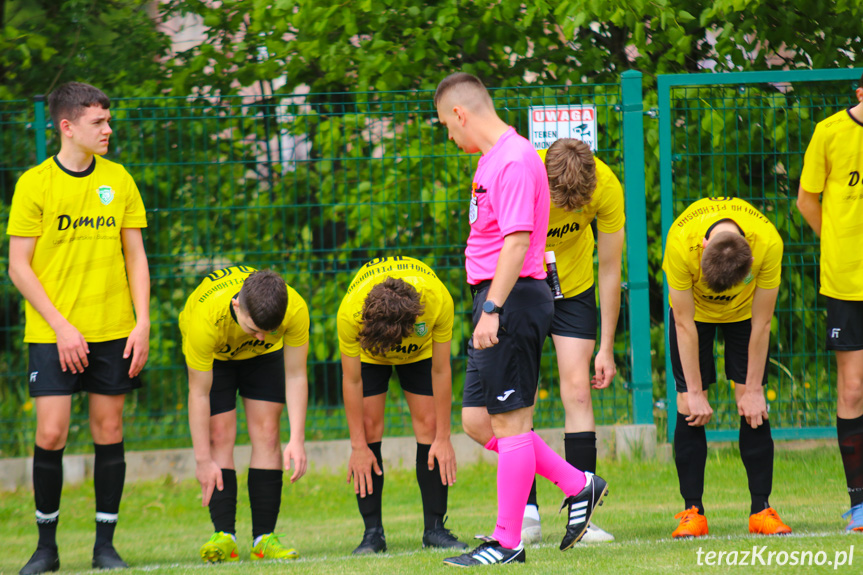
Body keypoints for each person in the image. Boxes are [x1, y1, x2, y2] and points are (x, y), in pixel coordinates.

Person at [435, 72, 608, 567]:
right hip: (495, 297)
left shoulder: (511, 160)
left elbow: (516, 241)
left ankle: (506, 542)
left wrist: (492, 308)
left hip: (509, 299)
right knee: (475, 421)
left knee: (511, 425)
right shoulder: (494, 159)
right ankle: (579, 484)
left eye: (448, 124)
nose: (450, 135)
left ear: (461, 114)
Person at [8, 82, 150, 574]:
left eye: (108, 121)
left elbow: (135, 255)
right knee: (50, 434)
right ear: (67, 127)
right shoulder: (35, 184)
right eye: (98, 122)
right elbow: (19, 266)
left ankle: (104, 547)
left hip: (113, 328)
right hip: (53, 334)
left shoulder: (119, 180)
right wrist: (62, 327)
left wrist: (143, 322)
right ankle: (46, 548)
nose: (108, 129)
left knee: (109, 429)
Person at [461, 138, 624, 545]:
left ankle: (581, 517)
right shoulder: (520, 171)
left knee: (577, 391)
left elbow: (609, 266)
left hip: (574, 289)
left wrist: (606, 345)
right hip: (520, 287)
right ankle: (527, 514)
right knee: (517, 404)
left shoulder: (607, 186)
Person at [662, 196, 791, 538]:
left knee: (754, 406)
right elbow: (684, 323)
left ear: (749, 250)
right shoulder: (679, 242)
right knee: (688, 405)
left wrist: (752, 389)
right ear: (702, 247)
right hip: (695, 317)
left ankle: (761, 510)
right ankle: (693, 512)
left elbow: (762, 323)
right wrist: (693, 391)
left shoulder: (768, 242)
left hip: (745, 314)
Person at [179, 266, 309, 562]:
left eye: (270, 331)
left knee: (268, 432)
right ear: (237, 305)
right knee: (220, 434)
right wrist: (202, 460)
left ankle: (264, 538)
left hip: (262, 361)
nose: (262, 336)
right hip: (217, 356)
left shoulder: (295, 308)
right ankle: (224, 536)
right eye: (254, 329)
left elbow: (296, 374)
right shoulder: (205, 320)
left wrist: (297, 438)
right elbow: (198, 394)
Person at [338, 255, 466, 554]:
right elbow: (352, 381)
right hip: (372, 350)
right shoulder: (351, 314)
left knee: (430, 426)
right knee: (368, 429)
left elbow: (441, 369)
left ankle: (435, 529)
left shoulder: (437, 301)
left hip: (417, 350)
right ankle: (372, 533)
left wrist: (444, 437)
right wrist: (358, 445)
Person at [797, 74, 863, 533]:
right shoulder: (829, 132)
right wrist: (835, 244)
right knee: (853, 388)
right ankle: (860, 503)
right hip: (845, 282)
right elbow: (806, 200)